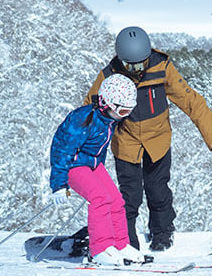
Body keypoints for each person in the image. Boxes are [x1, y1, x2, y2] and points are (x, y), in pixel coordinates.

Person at [83, 26, 212, 252]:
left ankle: (162, 233)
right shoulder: (109, 76)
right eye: (132, 66)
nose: (138, 70)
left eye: (142, 63)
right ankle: (127, 242)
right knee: (129, 198)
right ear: (122, 61)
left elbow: (191, 101)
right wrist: (79, 148)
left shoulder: (162, 68)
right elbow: (88, 111)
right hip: (127, 143)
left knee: (158, 190)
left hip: (158, 140)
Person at [50, 73, 145, 266]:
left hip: (92, 165)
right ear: (106, 103)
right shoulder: (83, 118)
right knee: (100, 198)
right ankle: (100, 249)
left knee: (117, 201)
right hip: (73, 166)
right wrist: (59, 184)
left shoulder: (108, 120)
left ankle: (120, 245)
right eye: (123, 111)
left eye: (128, 111)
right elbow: (62, 150)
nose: (124, 116)